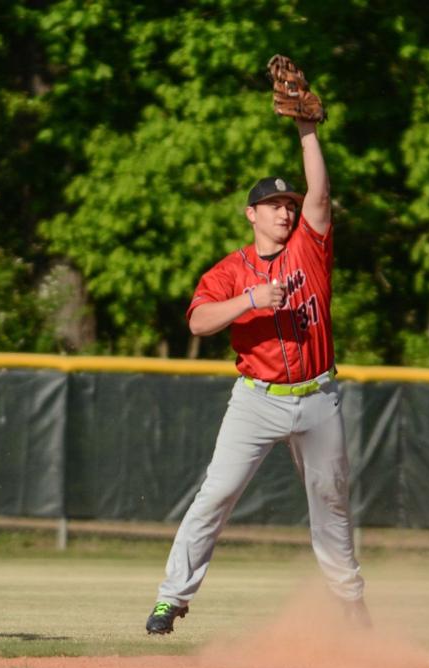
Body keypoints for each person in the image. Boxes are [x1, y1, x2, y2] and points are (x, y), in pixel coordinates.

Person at [145, 116, 368, 634]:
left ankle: (351, 604)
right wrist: (248, 300)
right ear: (251, 214)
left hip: (317, 395)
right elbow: (199, 321)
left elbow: (320, 191)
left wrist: (308, 128)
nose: (286, 212)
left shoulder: (309, 250)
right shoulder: (229, 271)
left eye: (289, 206)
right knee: (216, 494)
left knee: (330, 501)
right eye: (275, 206)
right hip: (256, 399)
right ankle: (170, 599)